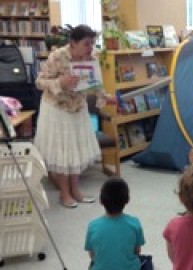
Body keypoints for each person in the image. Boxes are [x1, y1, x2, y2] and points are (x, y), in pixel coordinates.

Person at [35, 24, 115, 208]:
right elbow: (39, 82)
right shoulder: (57, 56)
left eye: (92, 44)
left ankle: (76, 191)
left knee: (76, 148)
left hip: (78, 107)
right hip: (56, 108)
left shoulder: (91, 58)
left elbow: (95, 84)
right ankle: (65, 193)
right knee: (63, 150)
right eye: (86, 44)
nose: (90, 48)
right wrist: (60, 82)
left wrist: (106, 97)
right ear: (73, 43)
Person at [84, 177, 145, 270]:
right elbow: (137, 252)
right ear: (127, 200)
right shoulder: (134, 223)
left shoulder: (93, 226)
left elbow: (92, 255)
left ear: (101, 200)